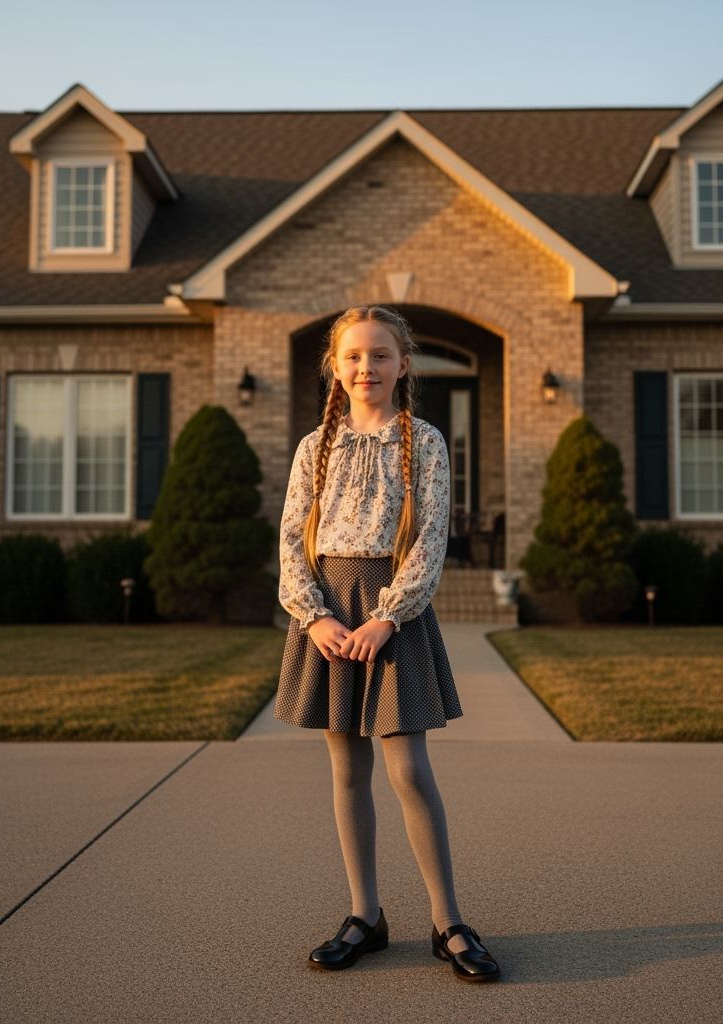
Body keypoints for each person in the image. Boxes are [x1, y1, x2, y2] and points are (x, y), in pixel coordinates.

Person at [274, 304, 501, 983]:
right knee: (347, 771)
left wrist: (388, 616)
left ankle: (448, 921)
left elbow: (432, 540)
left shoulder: (424, 442)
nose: (365, 367)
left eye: (379, 355)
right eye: (352, 357)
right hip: (329, 617)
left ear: (404, 364)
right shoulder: (315, 449)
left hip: (390, 618)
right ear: (335, 370)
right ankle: (365, 916)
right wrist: (315, 617)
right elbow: (290, 540)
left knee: (408, 771)